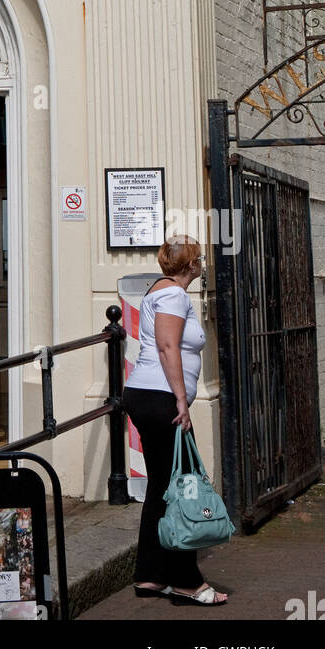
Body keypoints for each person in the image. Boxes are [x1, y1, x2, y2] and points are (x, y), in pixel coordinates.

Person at [122, 236, 229, 607]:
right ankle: (185, 581)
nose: (202, 265)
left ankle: (150, 575)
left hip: (147, 395)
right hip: (161, 398)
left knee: (161, 487)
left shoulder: (160, 290)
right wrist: (181, 400)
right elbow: (168, 347)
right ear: (192, 266)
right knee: (183, 486)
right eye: (199, 259)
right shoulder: (173, 296)